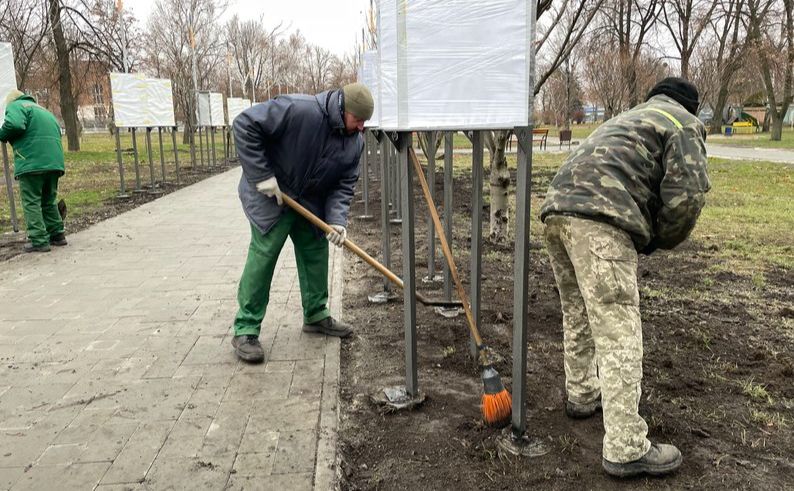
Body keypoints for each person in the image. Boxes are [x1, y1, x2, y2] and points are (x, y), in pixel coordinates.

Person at [540, 77, 711, 478]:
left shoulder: (633, 116)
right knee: (619, 330)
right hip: (601, 220)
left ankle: (582, 392)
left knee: (579, 312)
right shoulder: (683, 122)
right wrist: (657, 240)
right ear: (691, 105)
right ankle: (626, 445)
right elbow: (687, 196)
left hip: (557, 210)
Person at [230, 82, 373, 363]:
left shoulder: (354, 142)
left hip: (309, 201)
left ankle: (316, 314)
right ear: (344, 109)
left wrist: (336, 221)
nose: (361, 128)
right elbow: (244, 125)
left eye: (365, 122)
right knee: (264, 256)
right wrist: (261, 175)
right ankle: (245, 329)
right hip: (271, 193)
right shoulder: (300, 110)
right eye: (358, 120)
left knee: (315, 252)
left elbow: (344, 184)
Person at [0, 89, 67, 252]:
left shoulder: (16, 106)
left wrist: (2, 134)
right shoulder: (42, 110)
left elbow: (14, 124)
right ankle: (57, 234)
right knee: (48, 199)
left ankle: (39, 240)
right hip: (54, 162)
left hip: (31, 161)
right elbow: (58, 131)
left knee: (31, 201)